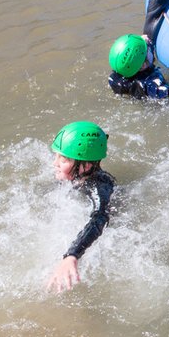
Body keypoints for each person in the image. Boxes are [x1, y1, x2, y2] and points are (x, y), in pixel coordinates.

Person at [47, 121, 116, 293]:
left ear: (85, 165)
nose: (54, 163)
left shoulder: (99, 187)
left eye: (63, 159)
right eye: (56, 156)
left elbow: (99, 218)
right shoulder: (76, 177)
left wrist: (72, 255)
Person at [107, 33, 169, 99]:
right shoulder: (150, 83)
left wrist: (141, 42)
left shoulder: (122, 71)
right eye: (148, 50)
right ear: (143, 65)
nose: (149, 48)